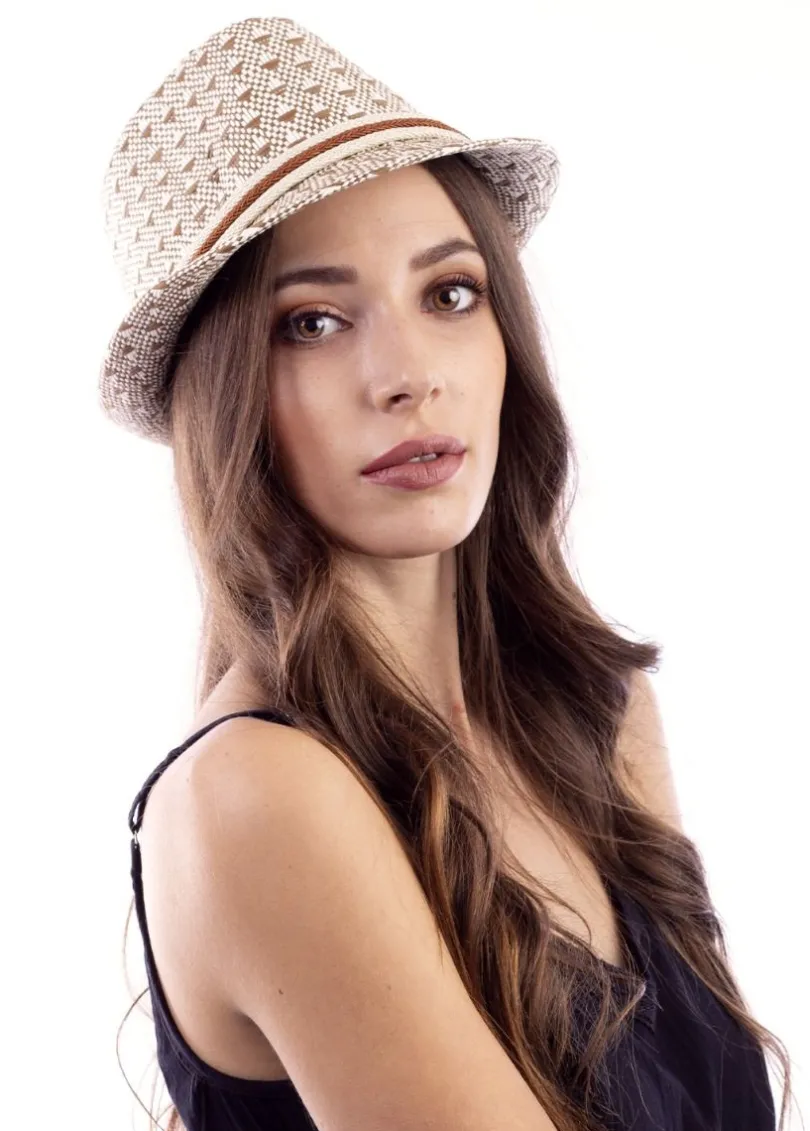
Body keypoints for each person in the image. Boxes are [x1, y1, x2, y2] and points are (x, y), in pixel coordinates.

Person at [102, 16, 790, 1131]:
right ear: (223, 399)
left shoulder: (599, 716)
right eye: (312, 322)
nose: (408, 374)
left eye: (451, 293)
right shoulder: (256, 794)